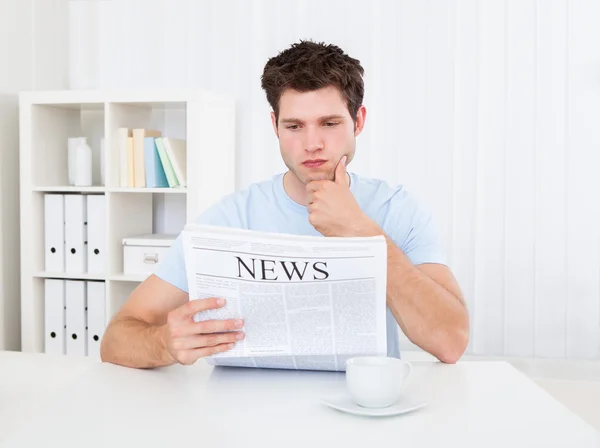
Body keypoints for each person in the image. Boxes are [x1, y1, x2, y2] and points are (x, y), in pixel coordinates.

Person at [100, 40, 469, 369]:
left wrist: (359, 231)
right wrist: (165, 343)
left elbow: (450, 342)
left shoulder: (396, 209)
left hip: (359, 414)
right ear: (275, 125)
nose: (312, 144)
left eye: (329, 123)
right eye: (294, 126)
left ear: (358, 121)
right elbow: (118, 337)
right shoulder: (228, 218)